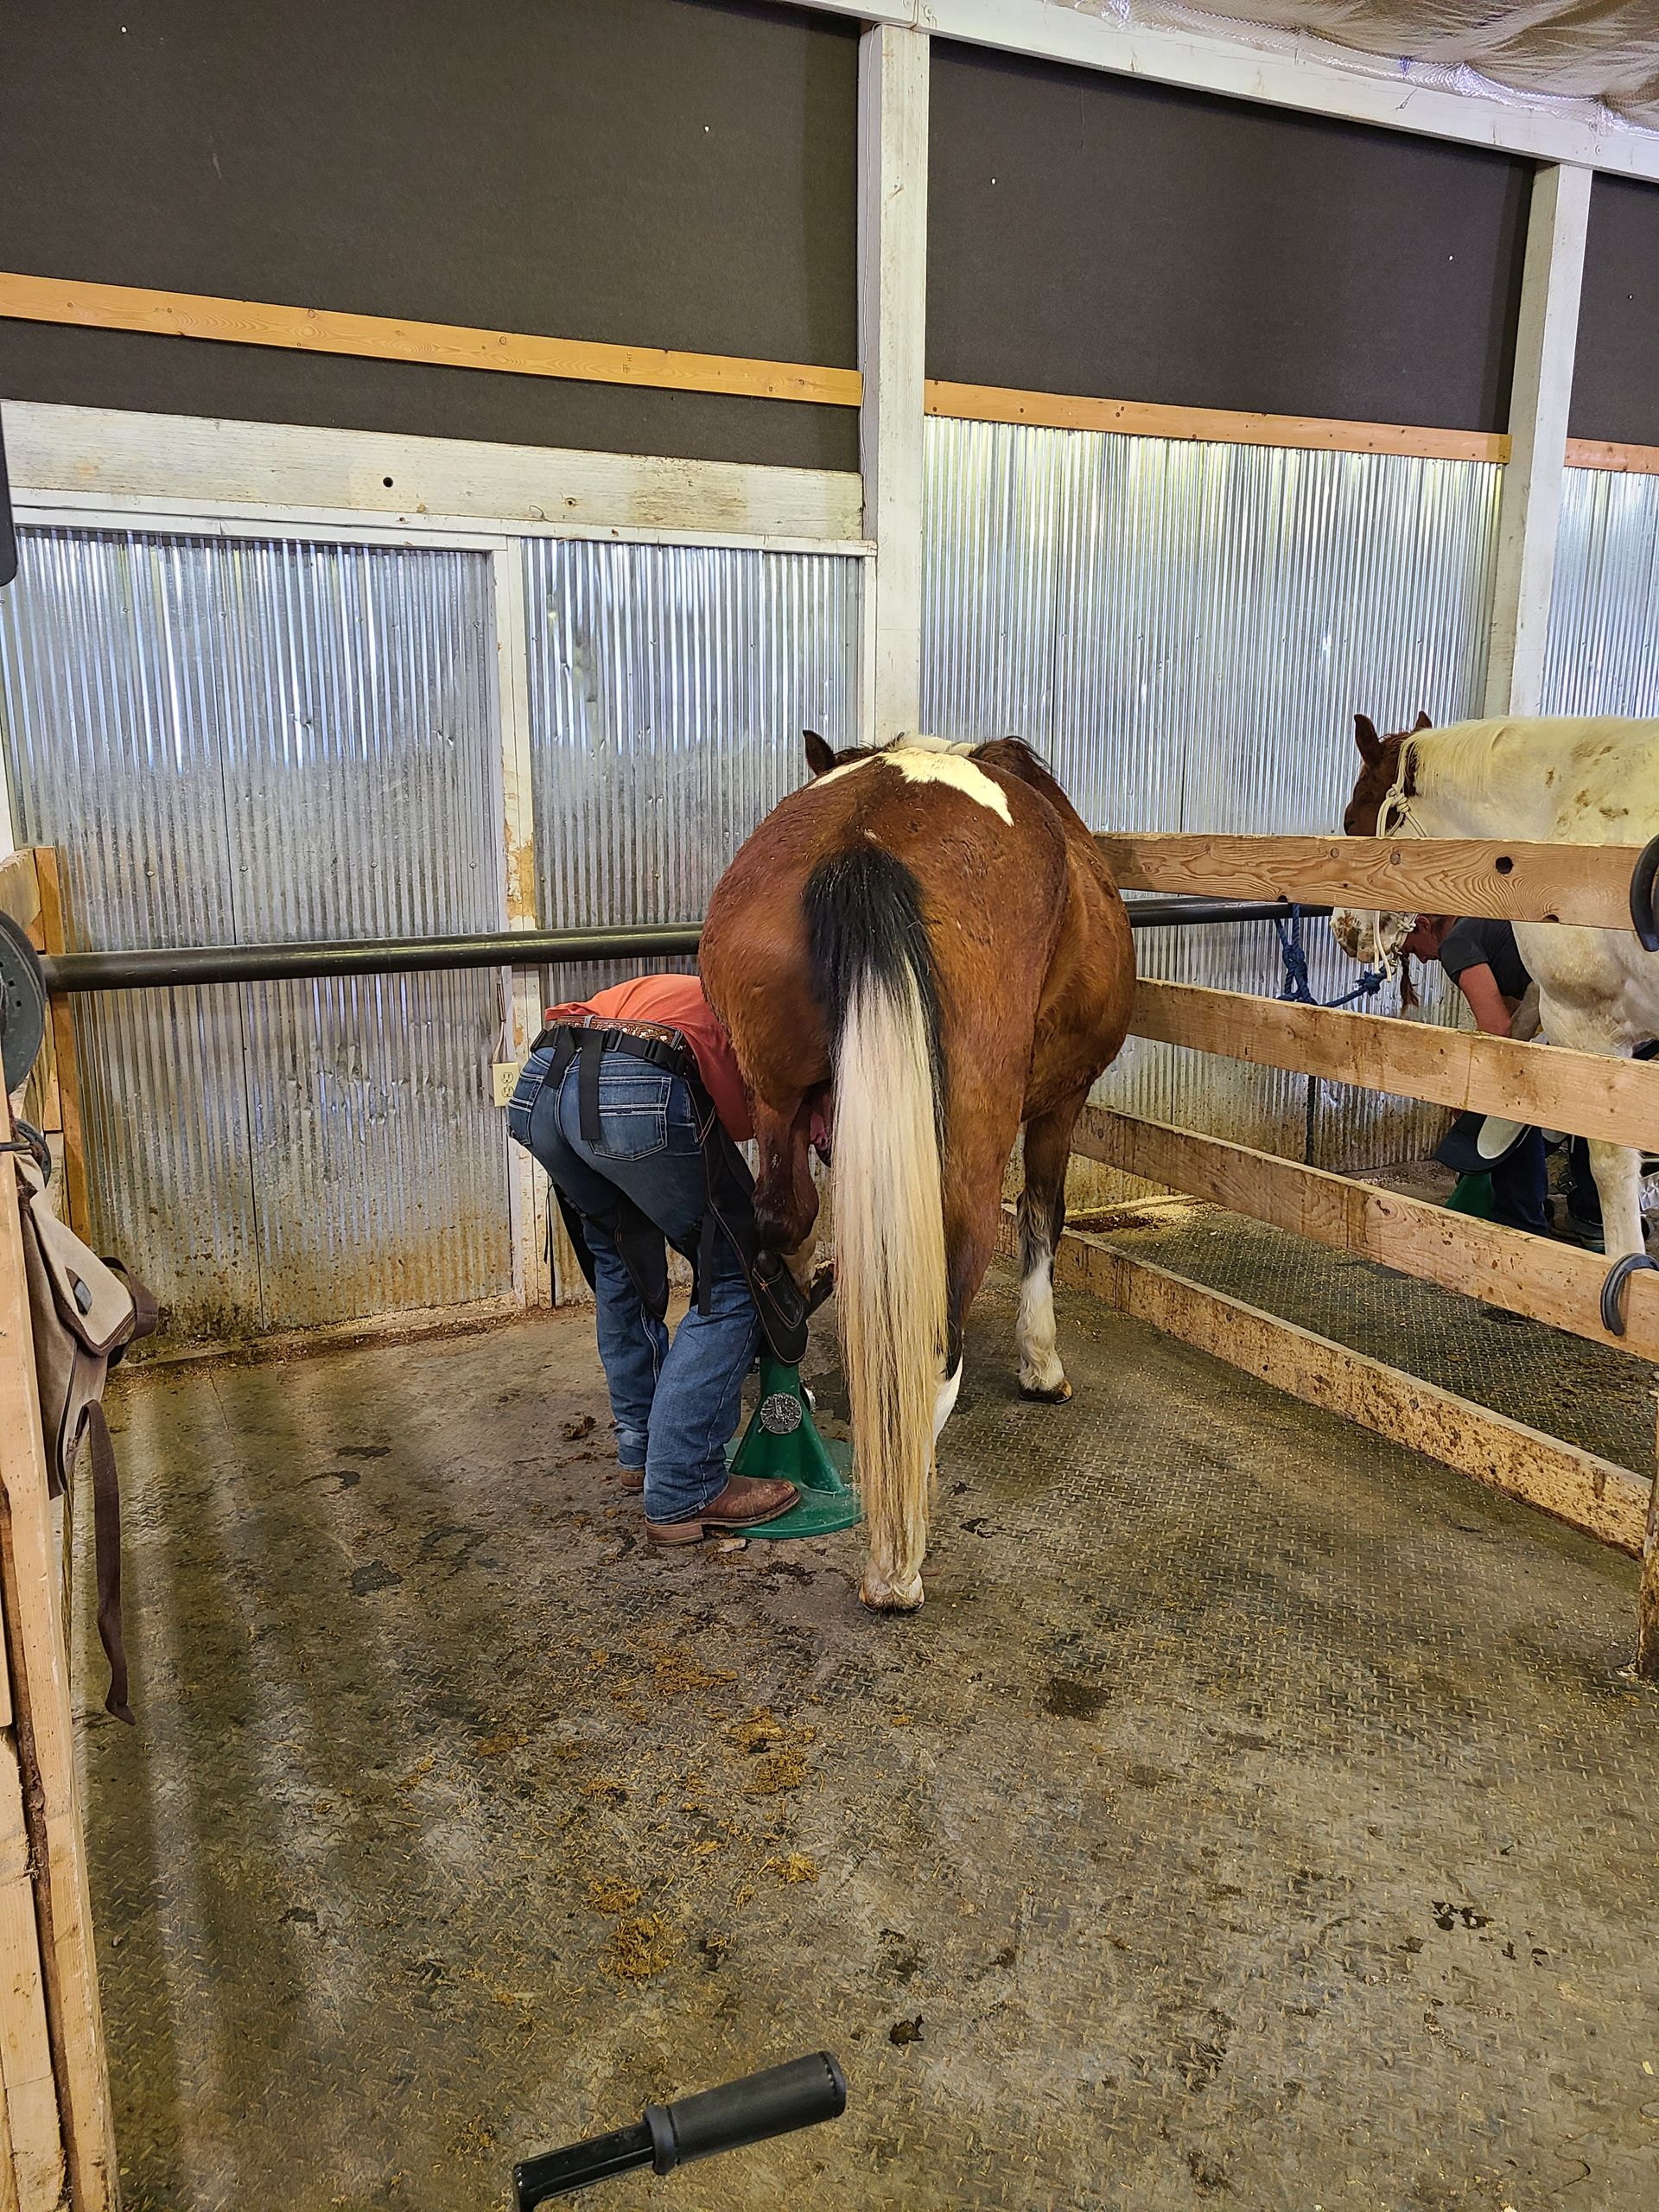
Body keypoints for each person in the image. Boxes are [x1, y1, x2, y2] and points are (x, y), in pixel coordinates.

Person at [505, 974, 803, 1541]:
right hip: (635, 1083)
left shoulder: (706, 988)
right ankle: (682, 1487)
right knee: (740, 1278)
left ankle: (642, 1450)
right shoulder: (797, 1027)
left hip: (543, 1081)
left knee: (620, 1262)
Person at [1400, 914, 1603, 1246]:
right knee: (1582, 1112)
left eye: (1412, 949)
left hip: (1580, 1009)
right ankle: (1591, 1218)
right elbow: (1514, 1011)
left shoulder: (1456, 944)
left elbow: (1497, 1029)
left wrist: (1473, 1091)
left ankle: (1521, 1224)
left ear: (1423, 925)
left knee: (1508, 1110)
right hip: (1596, 1008)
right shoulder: (1484, 923)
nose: (1421, 959)